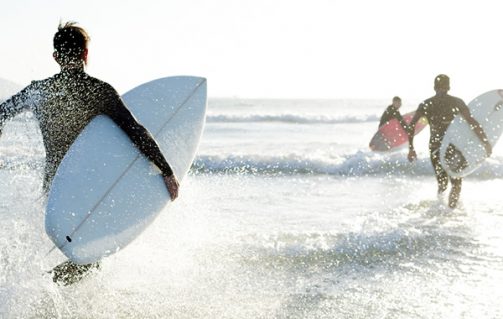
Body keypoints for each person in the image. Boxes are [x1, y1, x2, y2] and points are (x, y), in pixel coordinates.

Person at [0, 22, 179, 285]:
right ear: (86, 54)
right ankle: (45, 289)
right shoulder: (99, 91)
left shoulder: (39, 90)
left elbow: (2, 112)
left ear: (56, 57)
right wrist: (167, 170)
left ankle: (37, 288)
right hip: (88, 187)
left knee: (71, 248)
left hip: (54, 189)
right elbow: (135, 130)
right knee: (92, 256)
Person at [407, 74, 492, 208]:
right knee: (456, 182)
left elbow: (411, 126)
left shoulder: (426, 104)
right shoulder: (456, 102)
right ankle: (451, 210)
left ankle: (440, 209)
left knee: (442, 183)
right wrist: (485, 142)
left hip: (435, 146)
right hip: (452, 147)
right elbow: (472, 123)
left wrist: (411, 149)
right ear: (448, 87)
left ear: (434, 87)